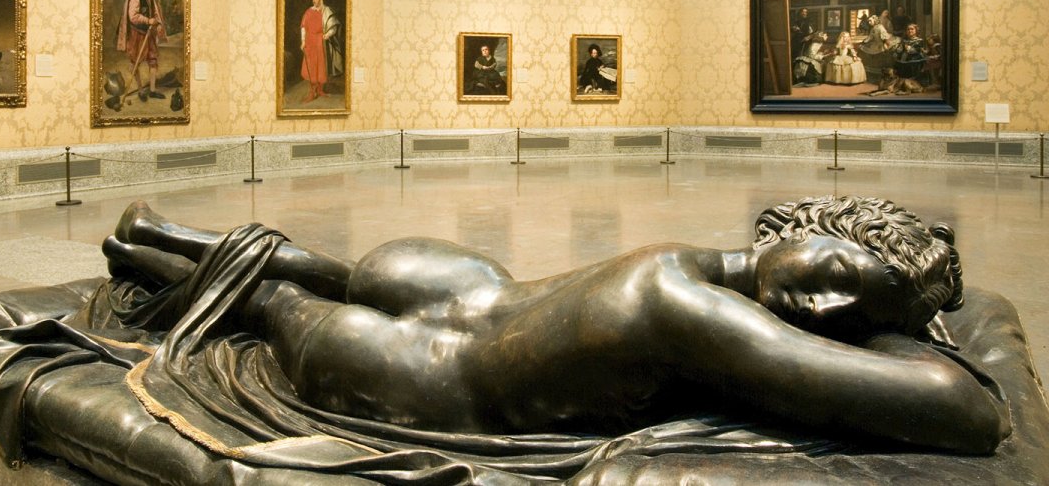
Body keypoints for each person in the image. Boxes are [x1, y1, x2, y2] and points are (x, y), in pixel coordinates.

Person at [103, 196, 1011, 454]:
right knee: (280, 304)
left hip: (427, 328)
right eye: (838, 277)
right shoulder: (695, 310)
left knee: (291, 294)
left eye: (853, 319)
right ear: (815, 225)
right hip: (430, 356)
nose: (822, 311)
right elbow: (970, 410)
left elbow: (963, 414)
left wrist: (894, 309)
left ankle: (154, 240)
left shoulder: (696, 269)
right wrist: (904, 330)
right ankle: (155, 252)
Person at [116, 0, 167, 102]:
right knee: (135, 61)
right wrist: (148, 20)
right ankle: (140, 90)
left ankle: (152, 90)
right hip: (137, 34)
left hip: (149, 33)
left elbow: (155, 11)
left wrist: (157, 22)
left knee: (153, 60)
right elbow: (133, 17)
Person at [299, 0, 343, 103]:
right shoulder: (309, 12)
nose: (314, 1)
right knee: (311, 67)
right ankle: (312, 92)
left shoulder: (326, 11)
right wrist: (303, 41)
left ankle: (319, 90)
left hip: (320, 42)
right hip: (310, 41)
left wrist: (327, 35)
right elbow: (303, 27)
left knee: (321, 67)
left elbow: (333, 26)